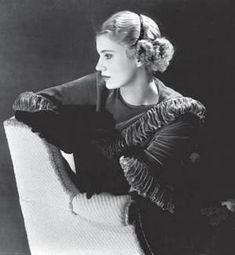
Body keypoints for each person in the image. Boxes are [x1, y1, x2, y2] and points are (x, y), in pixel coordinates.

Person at [12, 10, 234, 255]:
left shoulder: (181, 113)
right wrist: (73, 135)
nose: (99, 65)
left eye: (108, 56)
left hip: (164, 220)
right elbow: (29, 104)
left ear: (139, 57)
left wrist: (88, 142)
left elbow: (141, 183)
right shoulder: (98, 86)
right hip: (106, 214)